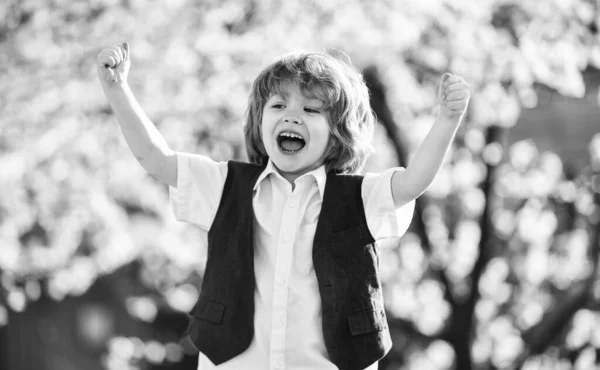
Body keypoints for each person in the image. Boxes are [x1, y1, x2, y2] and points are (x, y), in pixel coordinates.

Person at [96, 42, 470, 370]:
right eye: (278, 105)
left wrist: (446, 120)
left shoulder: (358, 197)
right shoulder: (225, 185)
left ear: (339, 133)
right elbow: (156, 158)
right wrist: (118, 90)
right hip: (234, 362)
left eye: (311, 110)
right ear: (260, 121)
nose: (292, 115)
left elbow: (413, 182)